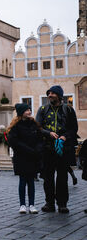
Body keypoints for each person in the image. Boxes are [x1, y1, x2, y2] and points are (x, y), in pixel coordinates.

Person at [36, 85, 78, 213]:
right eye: (48, 93)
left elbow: (73, 128)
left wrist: (65, 136)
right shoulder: (43, 109)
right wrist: (48, 133)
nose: (49, 95)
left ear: (59, 96)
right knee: (48, 177)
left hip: (63, 149)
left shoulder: (68, 110)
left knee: (62, 177)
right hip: (47, 148)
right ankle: (49, 203)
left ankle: (62, 204)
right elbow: (38, 127)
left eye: (52, 93)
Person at [7, 103, 43, 214]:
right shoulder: (16, 126)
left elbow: (40, 138)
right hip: (22, 157)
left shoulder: (34, 124)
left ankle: (32, 205)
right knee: (22, 181)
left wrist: (37, 149)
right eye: (27, 110)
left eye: (29, 109)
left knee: (31, 181)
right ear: (21, 112)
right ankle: (22, 205)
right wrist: (28, 149)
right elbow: (14, 142)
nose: (29, 112)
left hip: (33, 157)